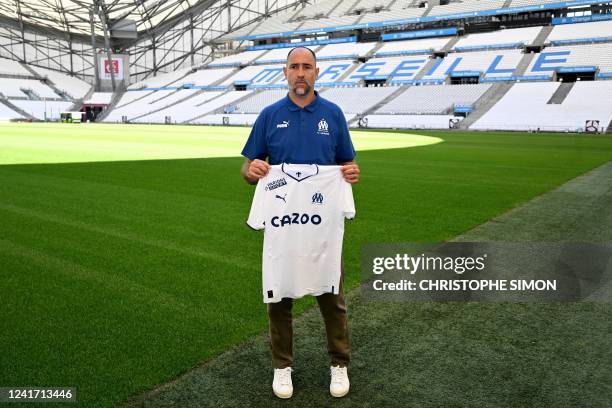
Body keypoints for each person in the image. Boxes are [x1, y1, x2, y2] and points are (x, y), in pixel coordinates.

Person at [240, 46, 360, 399]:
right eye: (295, 67)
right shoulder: (269, 115)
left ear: (317, 72)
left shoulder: (333, 115)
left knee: (332, 296)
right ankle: (282, 367)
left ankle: (339, 363)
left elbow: (347, 165)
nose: (301, 73)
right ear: (286, 72)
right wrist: (252, 170)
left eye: (307, 66)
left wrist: (351, 173)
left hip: (322, 228)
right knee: (279, 298)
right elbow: (248, 170)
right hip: (284, 228)